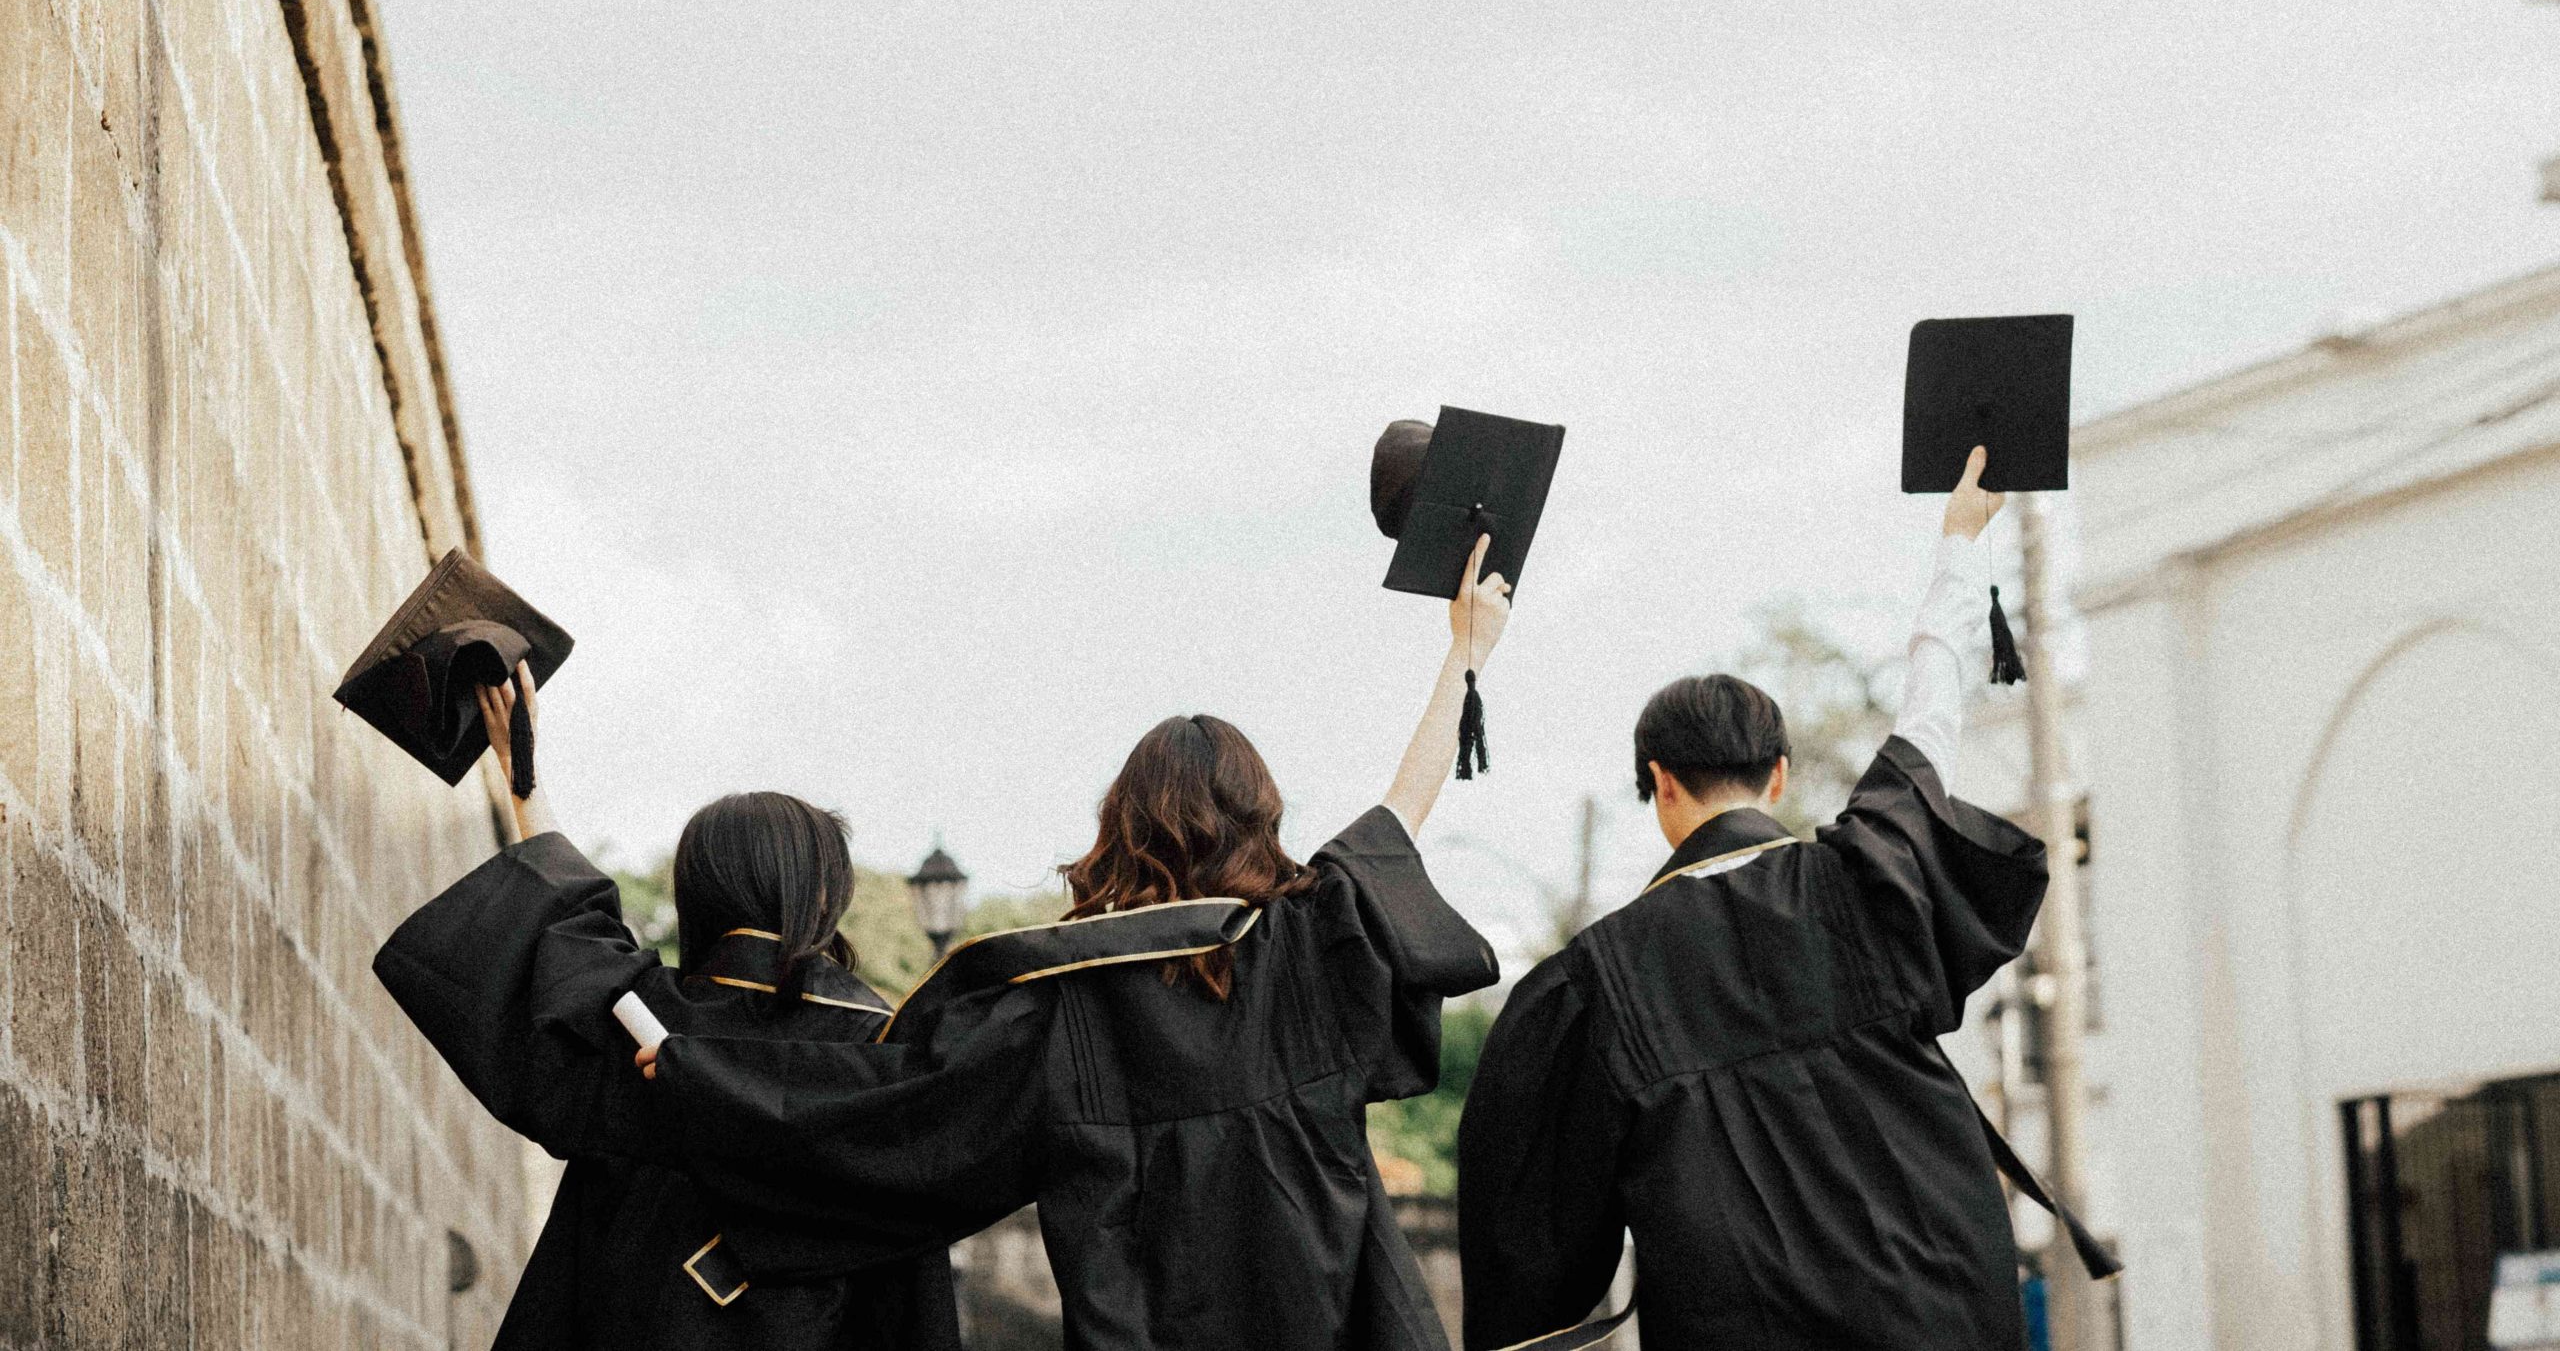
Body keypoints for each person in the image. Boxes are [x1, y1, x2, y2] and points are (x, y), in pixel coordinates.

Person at [616, 535, 1517, 1351]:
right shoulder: (1315, 948)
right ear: (1261, 818)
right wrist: (1466, 651)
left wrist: (703, 1075)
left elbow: (887, 1112)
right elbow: (1404, 809)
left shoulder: (1064, 1004)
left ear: (1122, 828)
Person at [1457, 446, 2065, 1351]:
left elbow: (1533, 1250)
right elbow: (1929, 723)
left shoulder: (1595, 984)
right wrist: (1959, 541)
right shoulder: (1868, 881)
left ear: (1660, 784)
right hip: (1943, 1317)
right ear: (1778, 775)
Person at [373, 670, 961, 1350]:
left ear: (699, 895)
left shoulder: (643, 1019)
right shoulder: (888, 1059)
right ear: (826, 895)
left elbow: (562, 931)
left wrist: (522, 778)